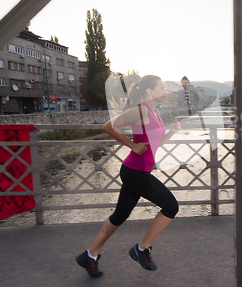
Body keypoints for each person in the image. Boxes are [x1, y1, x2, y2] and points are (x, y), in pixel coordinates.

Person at [76, 75, 181, 277]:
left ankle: (89, 255)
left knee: (119, 216)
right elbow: (108, 126)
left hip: (137, 171)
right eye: (162, 88)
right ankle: (141, 250)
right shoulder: (140, 110)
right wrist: (132, 145)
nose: (165, 92)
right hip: (136, 173)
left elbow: (155, 143)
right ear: (149, 91)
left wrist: (172, 132)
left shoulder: (155, 112)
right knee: (171, 207)